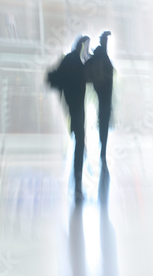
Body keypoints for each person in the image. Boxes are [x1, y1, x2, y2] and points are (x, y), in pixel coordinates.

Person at [48, 36, 90, 201]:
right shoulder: (74, 62)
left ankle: (78, 180)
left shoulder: (71, 60)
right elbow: (79, 83)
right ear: (82, 45)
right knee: (79, 144)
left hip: (74, 108)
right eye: (86, 45)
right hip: (76, 108)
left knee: (79, 142)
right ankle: (78, 182)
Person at [86, 31, 115, 164]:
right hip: (105, 95)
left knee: (103, 120)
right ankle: (102, 149)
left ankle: (102, 147)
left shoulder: (99, 58)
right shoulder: (101, 57)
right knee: (104, 120)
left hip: (104, 94)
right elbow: (103, 50)